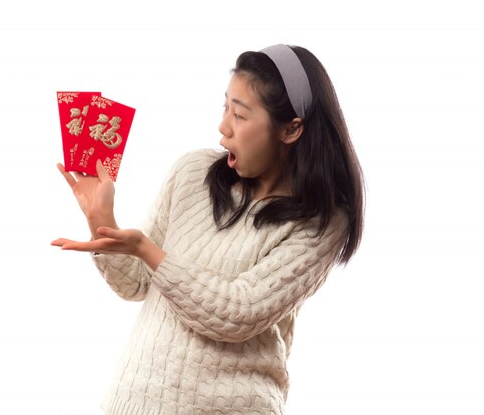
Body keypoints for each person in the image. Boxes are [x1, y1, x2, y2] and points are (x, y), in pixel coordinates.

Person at [51, 44, 365, 415]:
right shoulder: (192, 172)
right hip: (132, 404)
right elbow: (136, 283)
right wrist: (101, 221)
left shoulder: (321, 223)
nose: (223, 126)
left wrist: (148, 251)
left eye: (241, 115)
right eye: (225, 106)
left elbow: (239, 312)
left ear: (291, 130)